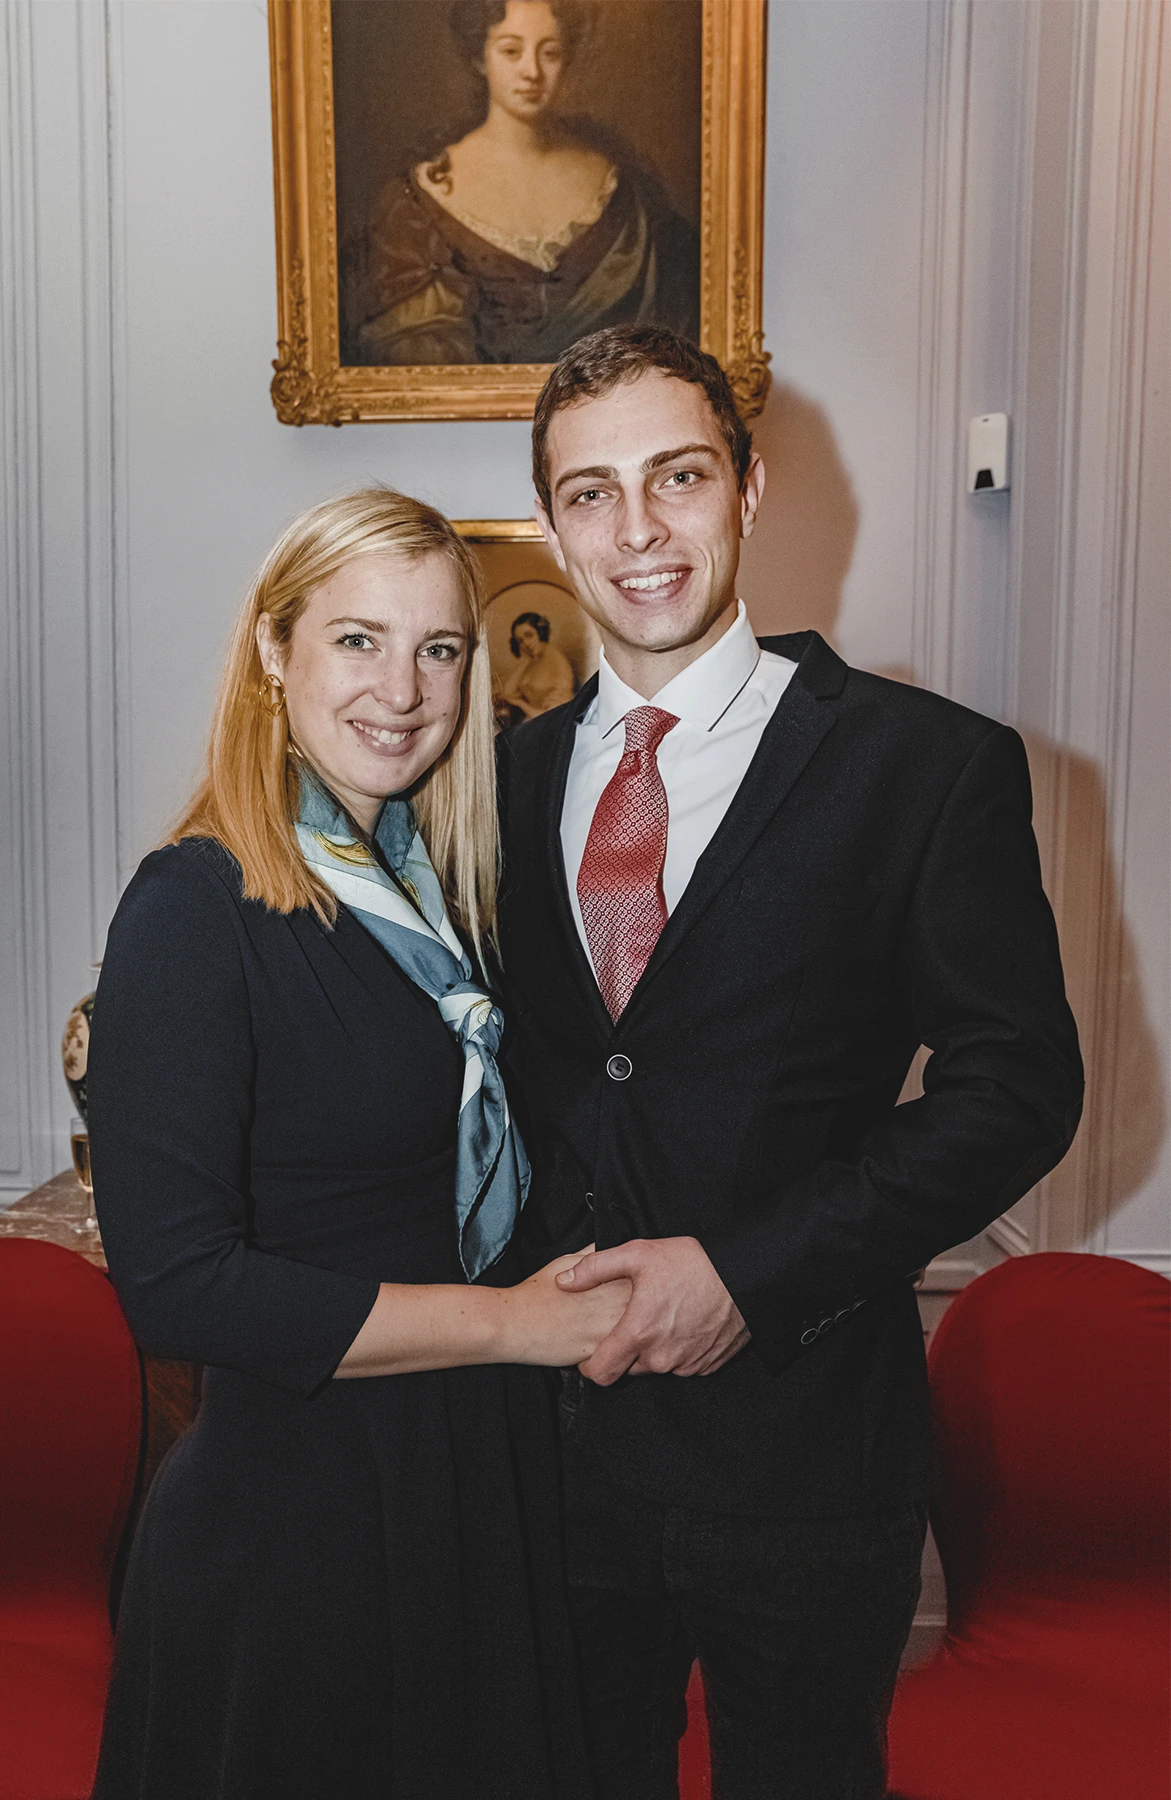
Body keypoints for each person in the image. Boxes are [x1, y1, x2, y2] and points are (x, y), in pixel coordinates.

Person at [496, 325, 1085, 1800]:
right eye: (590, 493)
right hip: (534, 1459)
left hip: (809, 1456)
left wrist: (749, 1276)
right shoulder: (482, 788)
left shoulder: (925, 767)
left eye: (676, 477)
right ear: (552, 524)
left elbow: (1018, 1089)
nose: (637, 531)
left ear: (749, 488)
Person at [87, 489, 629, 1800]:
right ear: (273, 656)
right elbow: (173, 1284)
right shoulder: (194, 907)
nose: (407, 688)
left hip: (475, 1488)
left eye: (442, 648)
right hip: (303, 1527)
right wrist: (509, 1325)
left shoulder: (437, 901)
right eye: (358, 641)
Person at [342, 0, 698, 366]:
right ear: (480, 58)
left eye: (551, 53)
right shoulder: (424, 195)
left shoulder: (619, 185)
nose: (531, 72)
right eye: (511, 51)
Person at [498, 610, 578, 719]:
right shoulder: (533, 661)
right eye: (520, 641)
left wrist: (520, 703)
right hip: (533, 720)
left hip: (550, 723)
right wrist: (527, 661)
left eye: (529, 635)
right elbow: (508, 692)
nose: (526, 643)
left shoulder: (558, 663)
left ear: (540, 632)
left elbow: (552, 716)